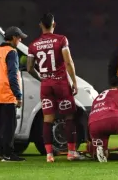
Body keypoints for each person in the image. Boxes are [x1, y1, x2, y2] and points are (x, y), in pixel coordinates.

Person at [27, 13, 80, 162]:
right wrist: (74, 82)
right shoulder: (61, 40)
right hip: (61, 83)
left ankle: (49, 155)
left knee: (47, 119)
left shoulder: (33, 45)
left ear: (40, 25)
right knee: (69, 116)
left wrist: (42, 78)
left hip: (46, 85)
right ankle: (71, 152)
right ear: (54, 24)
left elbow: (29, 68)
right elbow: (68, 62)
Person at [0, 26, 26, 162]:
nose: (20, 40)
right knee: (10, 125)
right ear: (14, 38)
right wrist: (18, 95)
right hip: (6, 93)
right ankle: (8, 154)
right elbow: (12, 75)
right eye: (19, 37)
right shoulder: (11, 52)